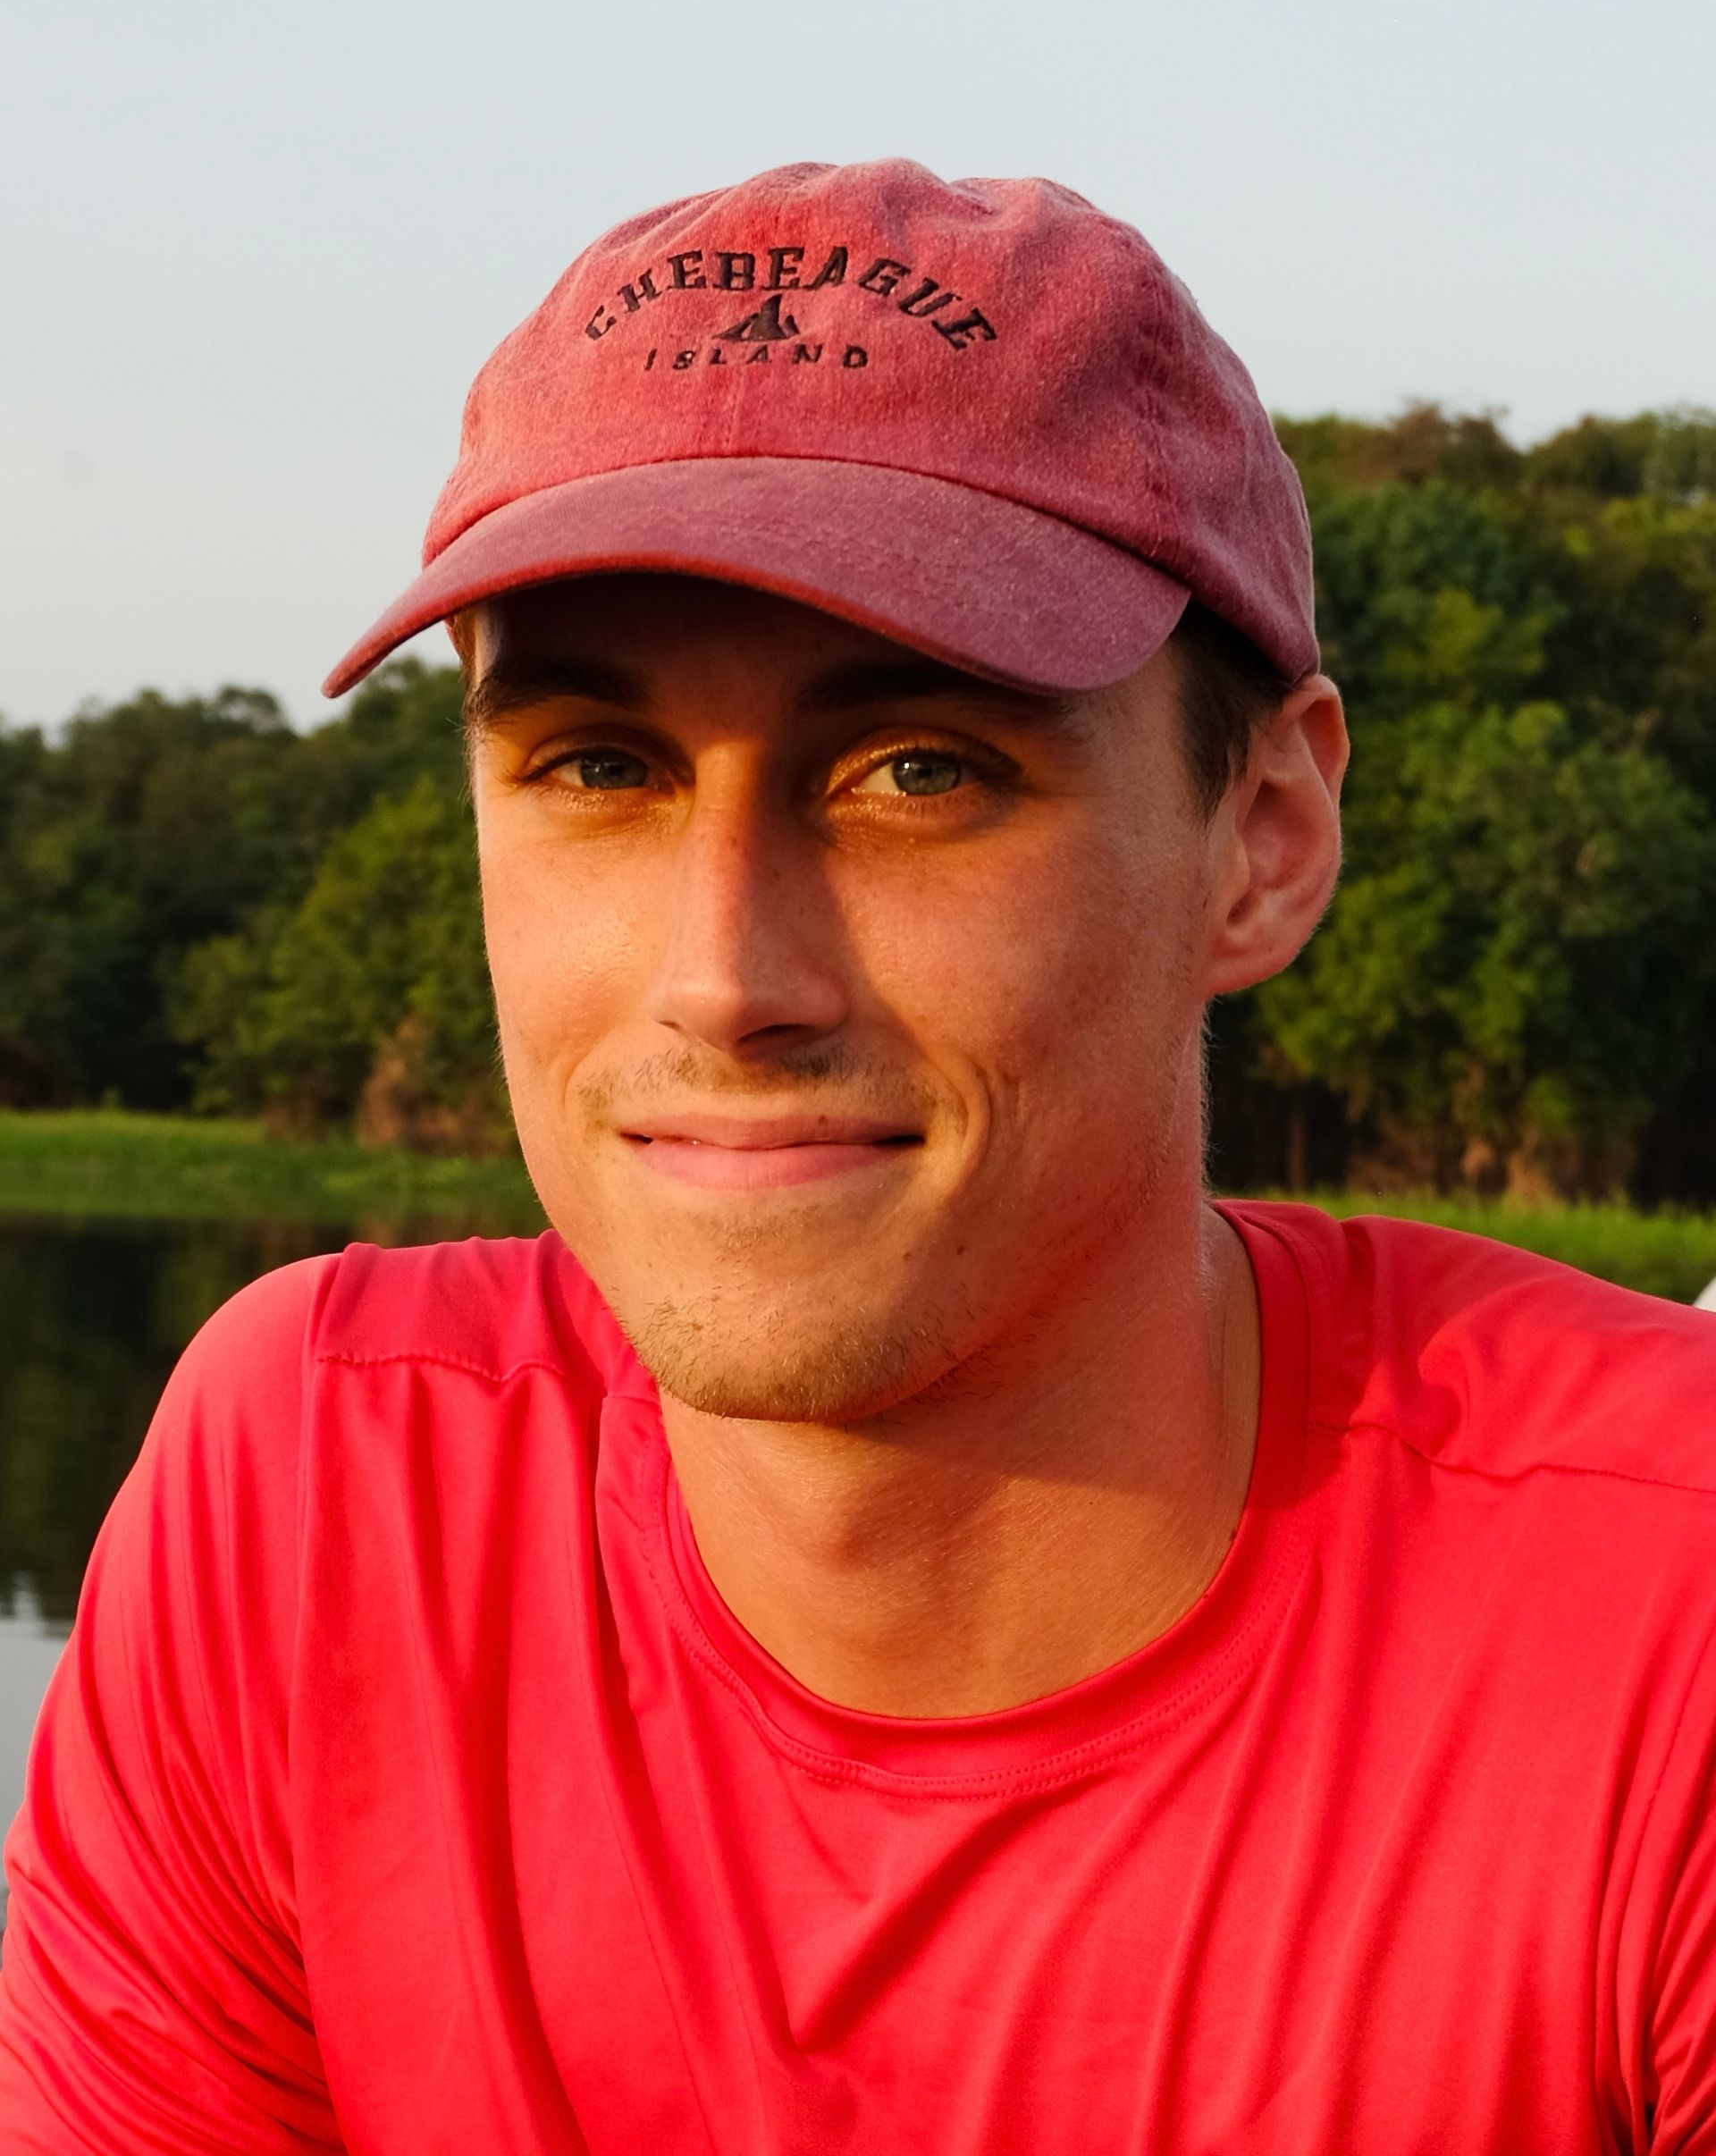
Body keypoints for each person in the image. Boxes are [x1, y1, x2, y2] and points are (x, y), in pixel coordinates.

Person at [1, 160, 1712, 2153]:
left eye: (921, 771)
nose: (727, 978)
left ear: (1262, 840)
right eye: (598, 768)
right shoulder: (313, 1495)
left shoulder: (1663, 1608)